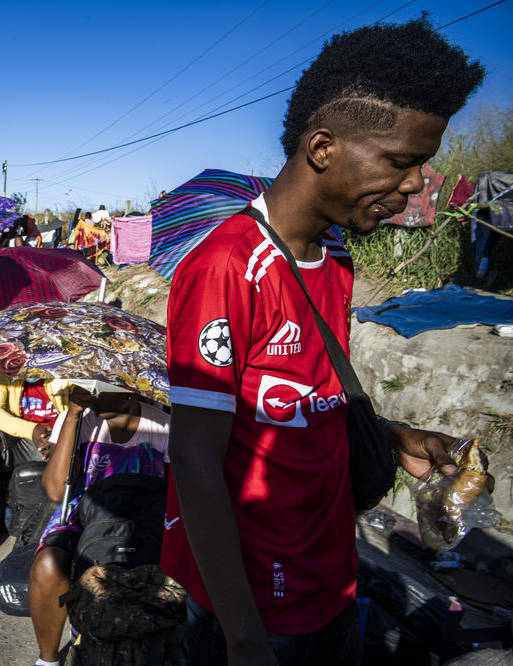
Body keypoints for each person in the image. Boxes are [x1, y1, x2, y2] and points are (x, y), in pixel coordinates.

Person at [159, 20, 485, 666]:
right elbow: (196, 464)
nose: (420, 183)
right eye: (402, 161)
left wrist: (391, 436)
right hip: (255, 611)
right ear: (323, 147)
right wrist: (244, 637)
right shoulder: (226, 266)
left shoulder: (334, 258)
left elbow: (300, 395)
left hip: (333, 586)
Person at [29, 386, 170, 665]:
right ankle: (48, 659)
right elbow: (56, 492)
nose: (92, 393)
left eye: (102, 387)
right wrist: (71, 417)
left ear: (130, 390)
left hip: (143, 520)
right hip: (84, 514)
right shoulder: (82, 419)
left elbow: (176, 493)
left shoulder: (165, 426)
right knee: (48, 562)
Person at [0, 371, 71, 551]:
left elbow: (79, 413)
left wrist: (57, 438)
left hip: (61, 437)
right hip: (22, 437)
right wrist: (33, 430)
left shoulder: (66, 370)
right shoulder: (5, 368)